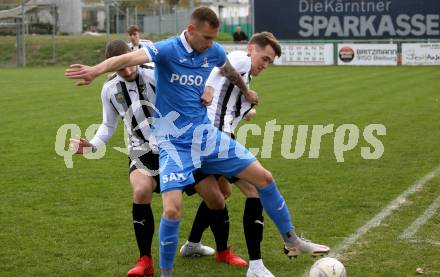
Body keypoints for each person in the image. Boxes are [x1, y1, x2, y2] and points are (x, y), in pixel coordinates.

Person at [65, 7, 330, 277]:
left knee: (263, 178)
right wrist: (95, 71)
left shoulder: (212, 50)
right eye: (206, 38)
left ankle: (291, 239)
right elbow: (129, 57)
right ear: (191, 31)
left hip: (206, 136)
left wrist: (244, 90)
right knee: (171, 211)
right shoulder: (167, 49)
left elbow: (228, 70)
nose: (211, 45)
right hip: (173, 144)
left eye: (214, 39)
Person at [69, 39, 244, 277]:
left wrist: (206, 91)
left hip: (180, 144)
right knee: (140, 191)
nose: (128, 70)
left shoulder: (156, 73)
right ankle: (145, 261)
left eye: (129, 64)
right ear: (113, 67)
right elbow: (108, 125)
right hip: (143, 150)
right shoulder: (110, 90)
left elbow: (190, 82)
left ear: (132, 56)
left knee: (216, 198)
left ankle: (223, 251)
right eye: (121, 68)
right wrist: (92, 145)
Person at [181, 31, 288, 277]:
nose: (265, 64)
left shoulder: (245, 73)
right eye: (265, 58)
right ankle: (256, 266)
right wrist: (208, 90)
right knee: (255, 189)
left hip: (210, 136)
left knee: (222, 195)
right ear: (252, 48)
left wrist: (246, 108)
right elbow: (218, 70)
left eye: (270, 61)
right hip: (212, 136)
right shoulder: (241, 57)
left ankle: (193, 243)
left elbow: (228, 94)